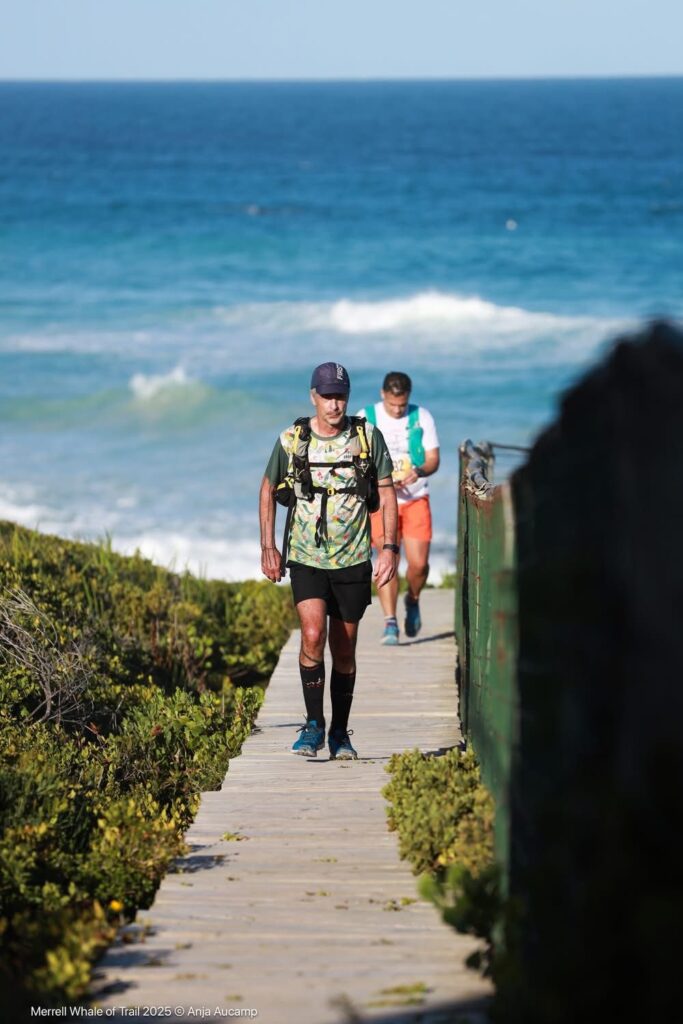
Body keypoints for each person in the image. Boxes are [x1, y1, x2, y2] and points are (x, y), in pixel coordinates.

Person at [259, 362, 398, 760]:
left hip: (353, 558)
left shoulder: (368, 437)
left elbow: (386, 494)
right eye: (327, 396)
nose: (334, 404)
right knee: (313, 636)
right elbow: (267, 489)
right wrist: (268, 547)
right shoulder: (291, 440)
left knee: (345, 649)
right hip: (305, 557)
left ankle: (340, 732)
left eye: (340, 396)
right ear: (313, 396)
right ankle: (314, 725)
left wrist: (389, 548)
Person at [357, 371, 440, 644]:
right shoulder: (366, 417)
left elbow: (433, 460)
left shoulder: (422, 417)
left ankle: (413, 598)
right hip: (381, 501)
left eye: (402, 405)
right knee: (385, 558)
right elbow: (356, 461)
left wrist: (418, 471)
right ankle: (390, 622)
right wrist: (376, 479)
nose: (397, 410)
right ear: (383, 395)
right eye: (393, 404)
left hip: (415, 497)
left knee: (418, 565)